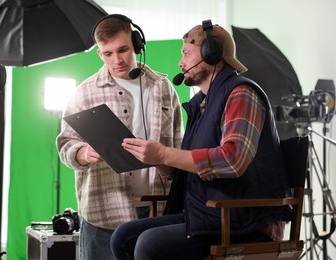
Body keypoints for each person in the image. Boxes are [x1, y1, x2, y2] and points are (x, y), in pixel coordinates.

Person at [110, 20, 292, 260]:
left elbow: (232, 160)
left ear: (211, 54)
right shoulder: (201, 105)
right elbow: (193, 169)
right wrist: (155, 159)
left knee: (148, 244)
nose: (180, 62)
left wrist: (164, 153)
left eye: (186, 54)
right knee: (123, 237)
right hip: (206, 214)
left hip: (242, 221)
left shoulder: (241, 94)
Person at [56, 14, 183, 260]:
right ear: (100, 54)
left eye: (123, 50)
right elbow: (65, 145)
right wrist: (83, 154)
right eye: (108, 53)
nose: (117, 60)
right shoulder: (83, 93)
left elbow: (178, 144)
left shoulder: (163, 88)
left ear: (136, 44)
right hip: (103, 214)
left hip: (159, 211)